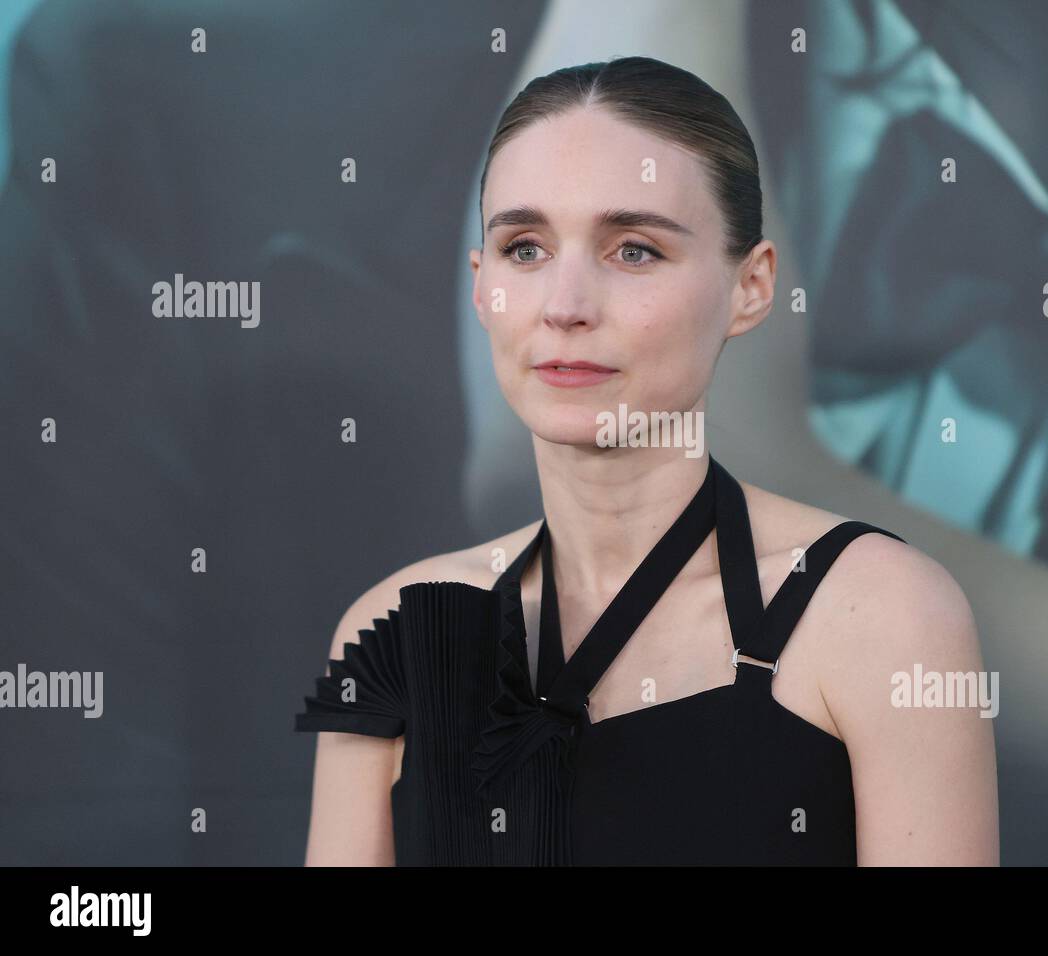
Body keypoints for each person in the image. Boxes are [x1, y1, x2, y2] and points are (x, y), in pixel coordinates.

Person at [294, 55, 999, 866]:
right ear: (481, 286)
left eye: (633, 250)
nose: (565, 307)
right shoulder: (394, 631)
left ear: (752, 286)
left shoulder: (882, 613)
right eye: (525, 249)